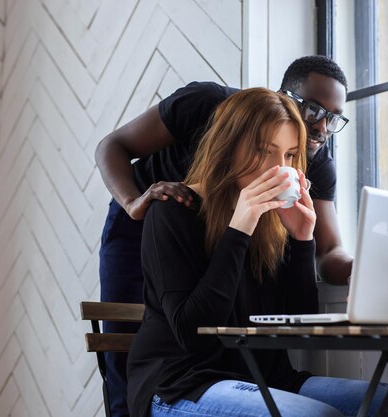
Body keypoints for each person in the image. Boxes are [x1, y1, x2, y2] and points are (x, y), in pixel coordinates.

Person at [127, 88, 388, 417]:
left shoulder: (273, 222)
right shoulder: (173, 210)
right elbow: (193, 333)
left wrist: (302, 237)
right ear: (228, 146)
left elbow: (298, 323)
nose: (277, 167)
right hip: (179, 384)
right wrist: (240, 227)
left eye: (288, 155)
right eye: (265, 151)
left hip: (266, 378)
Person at [96, 56, 353, 417]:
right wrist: (134, 202)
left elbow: (301, 313)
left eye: (289, 155)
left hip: (246, 365)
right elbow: (113, 145)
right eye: (313, 110)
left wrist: (302, 238)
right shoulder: (207, 108)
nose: (323, 126)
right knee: (128, 345)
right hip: (151, 215)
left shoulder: (304, 177)